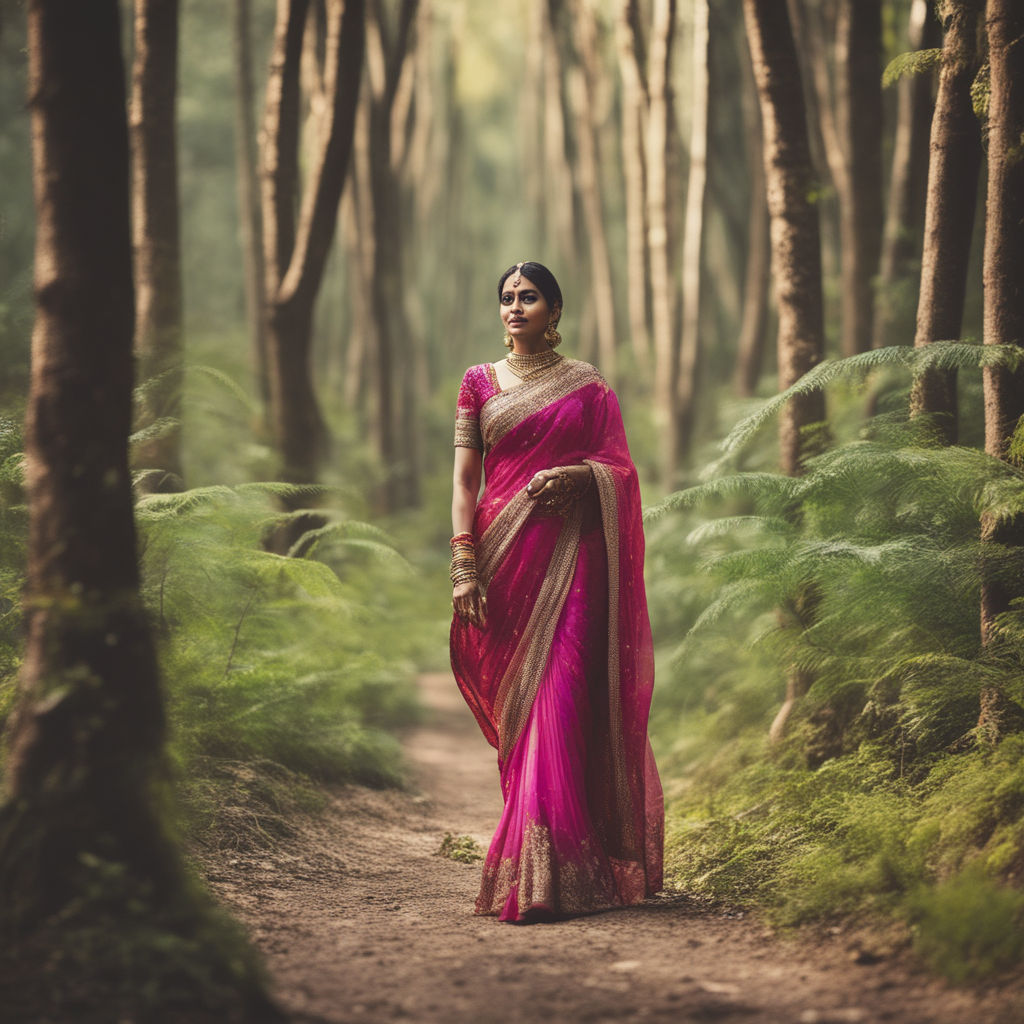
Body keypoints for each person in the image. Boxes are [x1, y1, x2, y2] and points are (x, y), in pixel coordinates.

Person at [449, 261, 663, 923]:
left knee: (561, 702)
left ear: (554, 309)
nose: (516, 307)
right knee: (520, 716)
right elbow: (462, 483)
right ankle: (546, 864)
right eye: (507, 297)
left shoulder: (589, 387)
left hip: (574, 563)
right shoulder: (478, 384)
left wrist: (577, 477)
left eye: (529, 297)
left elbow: (620, 472)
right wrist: (462, 563)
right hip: (502, 559)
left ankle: (547, 873)